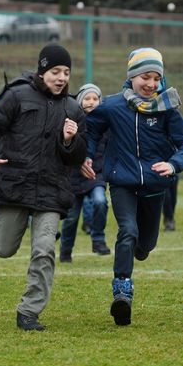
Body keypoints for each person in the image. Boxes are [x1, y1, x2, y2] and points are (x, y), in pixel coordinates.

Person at [0, 44, 87, 331]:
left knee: (44, 249)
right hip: (15, 185)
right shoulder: (16, 95)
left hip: (52, 190)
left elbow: (76, 157)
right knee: (4, 249)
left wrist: (71, 141)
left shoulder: (73, 108)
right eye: (56, 71)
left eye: (66, 72)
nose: (62, 78)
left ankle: (29, 311)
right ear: (42, 70)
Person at [82, 47, 183, 326]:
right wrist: (86, 155)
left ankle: (141, 249)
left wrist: (173, 164)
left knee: (146, 243)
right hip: (121, 183)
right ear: (132, 76)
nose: (151, 84)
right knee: (127, 231)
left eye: (156, 79)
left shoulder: (166, 109)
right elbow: (91, 129)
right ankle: (122, 289)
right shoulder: (111, 106)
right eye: (146, 77)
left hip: (155, 187)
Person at [59, 83, 111, 262]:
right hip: (73, 177)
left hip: (96, 175)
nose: (91, 102)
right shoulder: (71, 122)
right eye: (87, 98)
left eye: (95, 99)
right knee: (71, 218)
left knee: (100, 201)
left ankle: (98, 240)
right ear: (80, 101)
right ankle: (65, 251)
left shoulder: (106, 123)